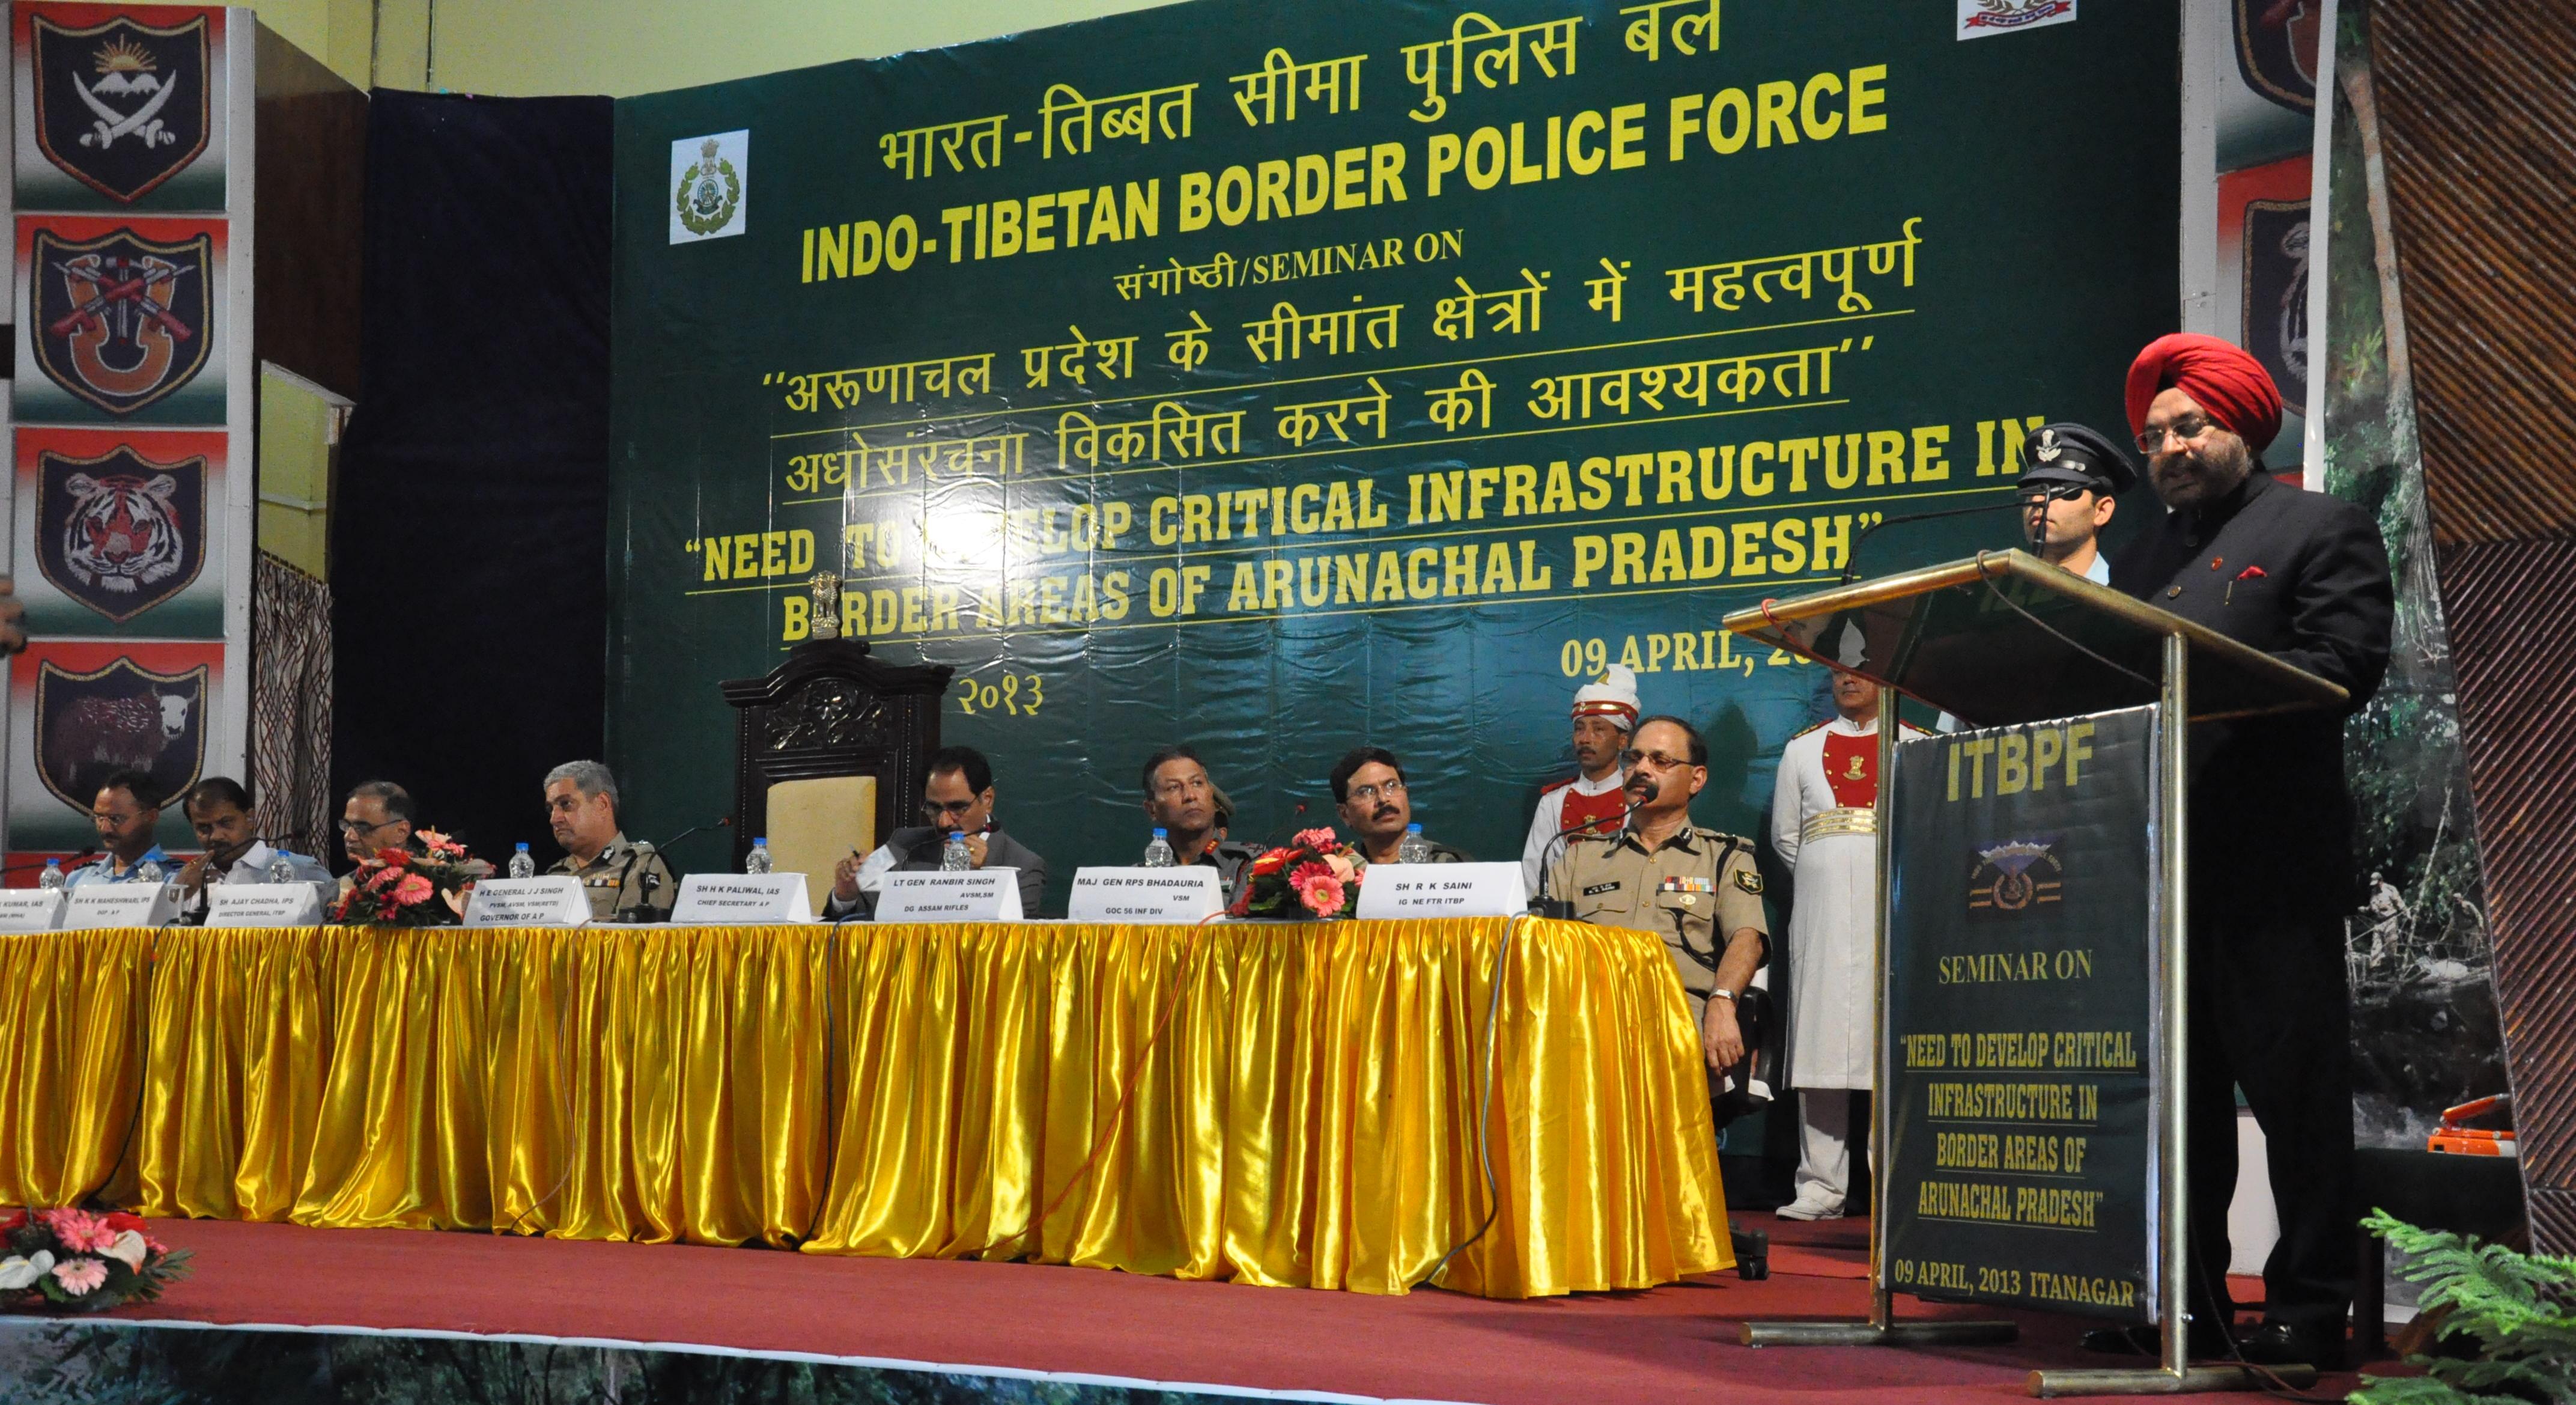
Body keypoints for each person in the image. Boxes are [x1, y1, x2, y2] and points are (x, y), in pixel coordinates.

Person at [2092, 332, 2393, 1368]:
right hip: (2159, 864)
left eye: (2187, 426)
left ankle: (2310, 1306)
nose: (2169, 447)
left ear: (2239, 424)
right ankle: (2183, 1299)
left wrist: (2204, 674)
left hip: (2269, 864)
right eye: (2152, 436)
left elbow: (2341, 664)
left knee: (2292, 1101)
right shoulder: (2138, 557)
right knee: (2176, 1107)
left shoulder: (2319, 526)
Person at [1767, 668, 1930, 1221]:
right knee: (1820, 1041)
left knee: (1889, 1042)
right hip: (1821, 914)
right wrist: (1830, 871)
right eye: (1838, 672)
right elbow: (1786, 836)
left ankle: (1892, 1183)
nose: (1847, 680)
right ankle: (1820, 1187)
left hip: (1895, 909)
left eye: (1860, 671)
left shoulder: (1919, 745)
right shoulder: (1801, 751)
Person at [1548, 716, 1767, 1079]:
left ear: (1696, 779)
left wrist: (1723, 1001)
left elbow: (1749, 938)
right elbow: (1538, 944)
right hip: (1588, 1028)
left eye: (1660, 761)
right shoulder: (1579, 858)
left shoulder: (1724, 857)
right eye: (1634, 759)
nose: (1641, 769)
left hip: (1677, 1025)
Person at [827, 745, 1048, 918]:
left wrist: (982, 877)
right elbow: (856, 921)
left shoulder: (1024, 867)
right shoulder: (902, 844)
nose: (943, 822)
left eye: (957, 807)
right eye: (934, 808)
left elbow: (1013, 948)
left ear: (987, 800)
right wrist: (845, 895)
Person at [1522, 665, 1639, 898]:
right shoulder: (1554, 802)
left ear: (1622, 741)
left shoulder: (1639, 798)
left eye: (1598, 730)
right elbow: (1534, 878)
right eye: (1579, 729)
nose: (1585, 739)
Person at [174, 778, 333, 918]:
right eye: (204, 828)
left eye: (226, 823)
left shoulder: (301, 870)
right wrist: (178, 894)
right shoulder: (185, 880)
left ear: (250, 819)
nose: (216, 836)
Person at [542, 760, 677, 921]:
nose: (554, 819)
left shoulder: (639, 866)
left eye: (566, 804)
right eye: (551, 809)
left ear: (603, 804)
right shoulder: (556, 873)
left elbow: (630, 942)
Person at [2017, 421, 2134, 583]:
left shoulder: (2128, 600)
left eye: (2059, 489)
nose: (2038, 500)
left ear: (2102, 511)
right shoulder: (1997, 598)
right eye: (2033, 489)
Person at [1140, 745, 1264, 898]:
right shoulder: (1140, 879)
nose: (1190, 795)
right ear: (1152, 809)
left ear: (1211, 795)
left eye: (1197, 783)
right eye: (1173, 787)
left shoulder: (1249, 864)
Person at [1329, 746, 1471, 867]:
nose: (1384, 799)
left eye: (1392, 786)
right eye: (1366, 792)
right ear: (1345, 814)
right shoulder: (1339, 878)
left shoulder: (1450, 866)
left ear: (1406, 793)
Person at [63, 769, 172, 888]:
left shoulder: (174, 879)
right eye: (99, 817)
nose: (105, 829)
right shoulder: (79, 879)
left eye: (115, 819)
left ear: (151, 817)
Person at [339, 781, 418, 868]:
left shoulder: (429, 879)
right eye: (347, 825)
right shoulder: (341, 881)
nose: (349, 837)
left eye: (363, 828)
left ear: (401, 832)